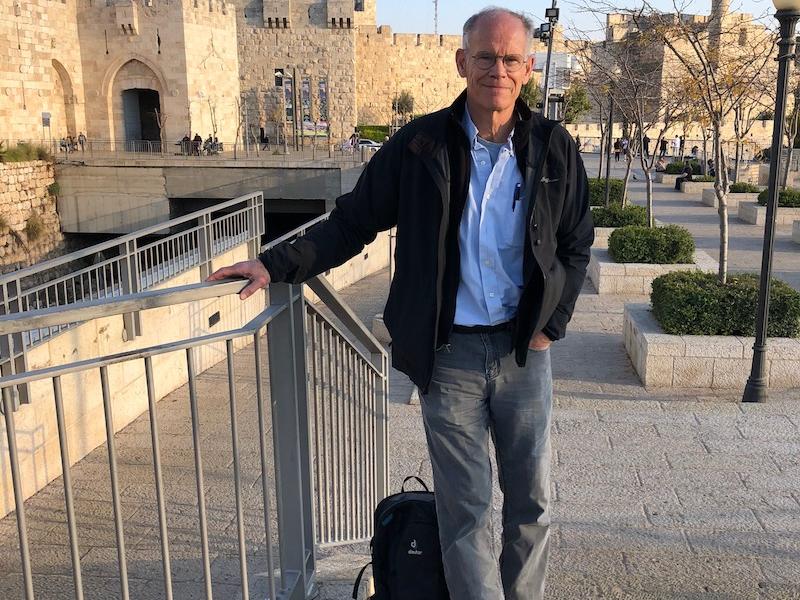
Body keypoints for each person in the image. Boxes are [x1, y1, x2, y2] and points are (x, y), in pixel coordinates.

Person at [208, 8, 593, 600]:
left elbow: (574, 243)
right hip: (449, 355)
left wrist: (550, 327)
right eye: (485, 57)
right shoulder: (419, 145)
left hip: (524, 353)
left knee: (532, 504)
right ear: (462, 63)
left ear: (528, 68)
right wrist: (274, 262)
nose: (498, 69)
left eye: (511, 58)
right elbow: (352, 222)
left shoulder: (553, 147)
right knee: (465, 512)